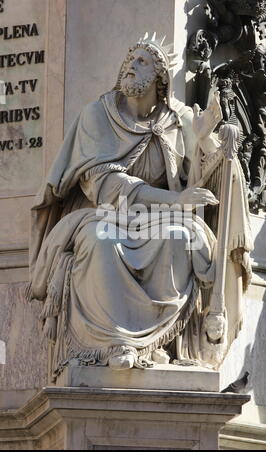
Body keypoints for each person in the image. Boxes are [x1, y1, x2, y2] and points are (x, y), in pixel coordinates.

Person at [27, 33, 253, 379]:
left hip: (160, 219)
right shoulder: (97, 116)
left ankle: (159, 344)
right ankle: (117, 343)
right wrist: (174, 200)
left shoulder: (177, 120)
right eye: (129, 60)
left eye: (142, 61)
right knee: (101, 242)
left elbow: (201, 176)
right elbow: (104, 185)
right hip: (106, 214)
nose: (131, 66)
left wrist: (207, 137)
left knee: (183, 238)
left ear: (160, 79)